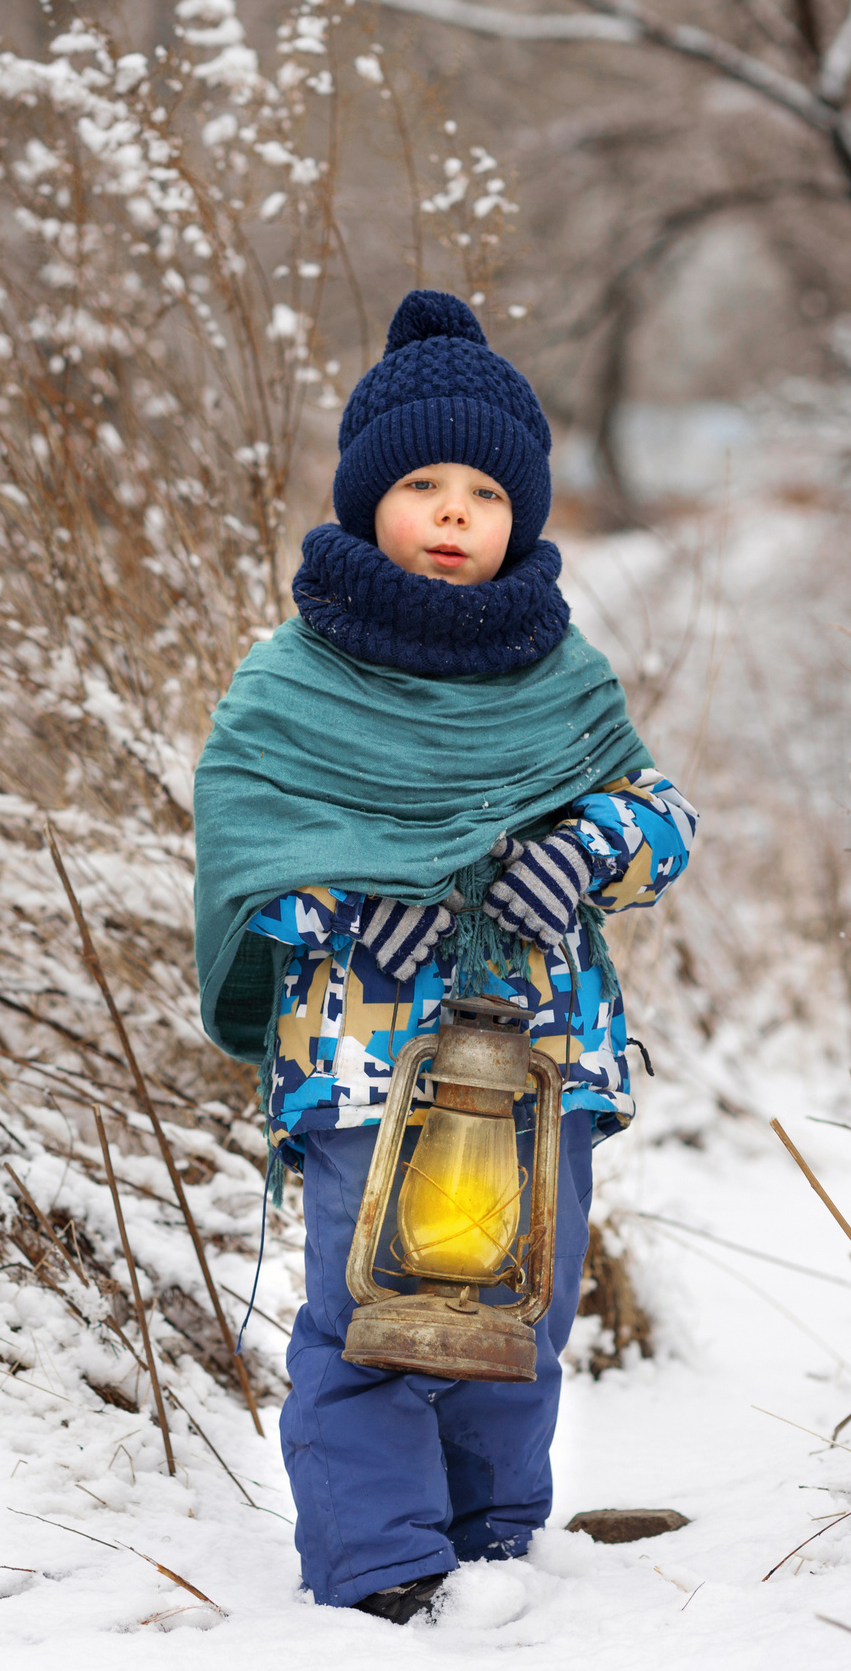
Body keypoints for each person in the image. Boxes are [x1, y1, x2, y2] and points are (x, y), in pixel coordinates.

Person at [192, 289, 698, 1624]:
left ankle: (490, 1553)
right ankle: (381, 1571)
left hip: (540, 1051)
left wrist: (586, 848)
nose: (455, 511)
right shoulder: (294, 680)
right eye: (423, 484)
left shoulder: (561, 672)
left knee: (516, 1311)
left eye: (485, 490)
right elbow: (246, 841)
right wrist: (346, 906)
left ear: (522, 516)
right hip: (364, 1053)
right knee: (376, 1304)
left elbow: (662, 814)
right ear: (369, 499)